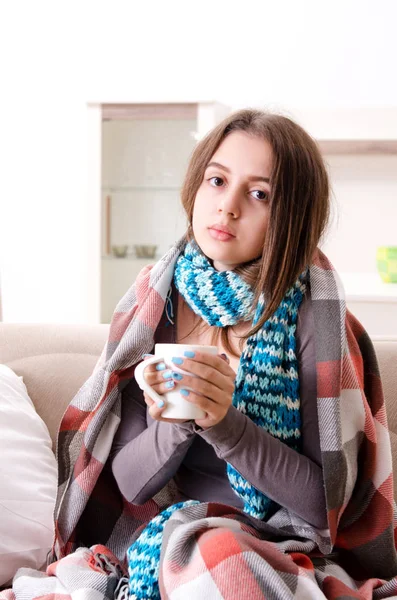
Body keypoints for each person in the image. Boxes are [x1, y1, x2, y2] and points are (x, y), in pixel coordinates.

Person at [47, 109, 397, 600]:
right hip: (167, 540)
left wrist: (224, 425)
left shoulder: (314, 320)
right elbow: (130, 484)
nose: (227, 207)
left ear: (292, 215)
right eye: (217, 180)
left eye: (259, 194)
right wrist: (178, 419)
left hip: (276, 547)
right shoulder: (156, 300)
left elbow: (324, 507)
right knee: (206, 555)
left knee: (221, 556)